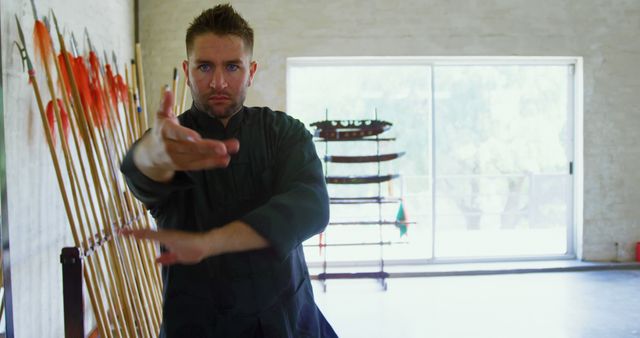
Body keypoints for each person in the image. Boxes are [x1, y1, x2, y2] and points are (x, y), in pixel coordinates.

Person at [120, 4, 338, 338]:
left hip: (286, 320)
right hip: (198, 324)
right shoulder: (172, 143)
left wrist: (210, 243)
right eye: (205, 66)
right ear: (187, 69)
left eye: (232, 67)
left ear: (251, 71)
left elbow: (311, 208)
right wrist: (154, 157)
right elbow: (141, 171)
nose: (218, 82)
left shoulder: (284, 133)